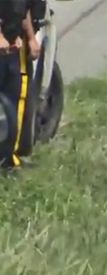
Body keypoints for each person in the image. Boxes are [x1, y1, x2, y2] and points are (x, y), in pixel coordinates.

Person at [0, 0, 40, 170]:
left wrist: (30, 38)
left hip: (12, 48)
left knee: (16, 100)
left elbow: (24, 11)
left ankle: (9, 158)